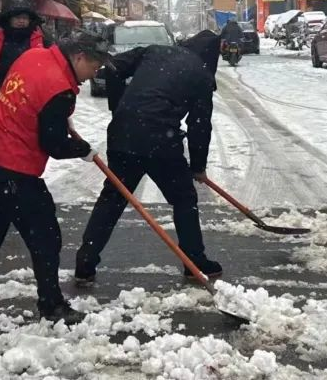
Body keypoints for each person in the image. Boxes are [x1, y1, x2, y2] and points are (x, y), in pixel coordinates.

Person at [0, 31, 111, 331]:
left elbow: (29, 99)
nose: (95, 74)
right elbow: (52, 143)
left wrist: (55, 115)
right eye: (94, 66)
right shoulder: (60, 90)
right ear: (78, 57)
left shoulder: (34, 57)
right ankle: (51, 306)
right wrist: (82, 150)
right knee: (46, 238)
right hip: (15, 171)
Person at [74, 30, 222, 285]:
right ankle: (195, 261)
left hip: (123, 134)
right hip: (161, 142)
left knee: (112, 198)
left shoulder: (154, 51)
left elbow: (112, 67)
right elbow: (200, 125)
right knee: (184, 200)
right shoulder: (202, 74)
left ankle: (85, 263)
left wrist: (122, 109)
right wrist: (198, 167)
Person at [0, 0, 50, 108]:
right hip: (1, 102)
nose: (21, 21)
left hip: (33, 103)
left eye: (25, 18)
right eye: (17, 17)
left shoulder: (41, 41)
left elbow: (50, 74)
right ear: (9, 19)